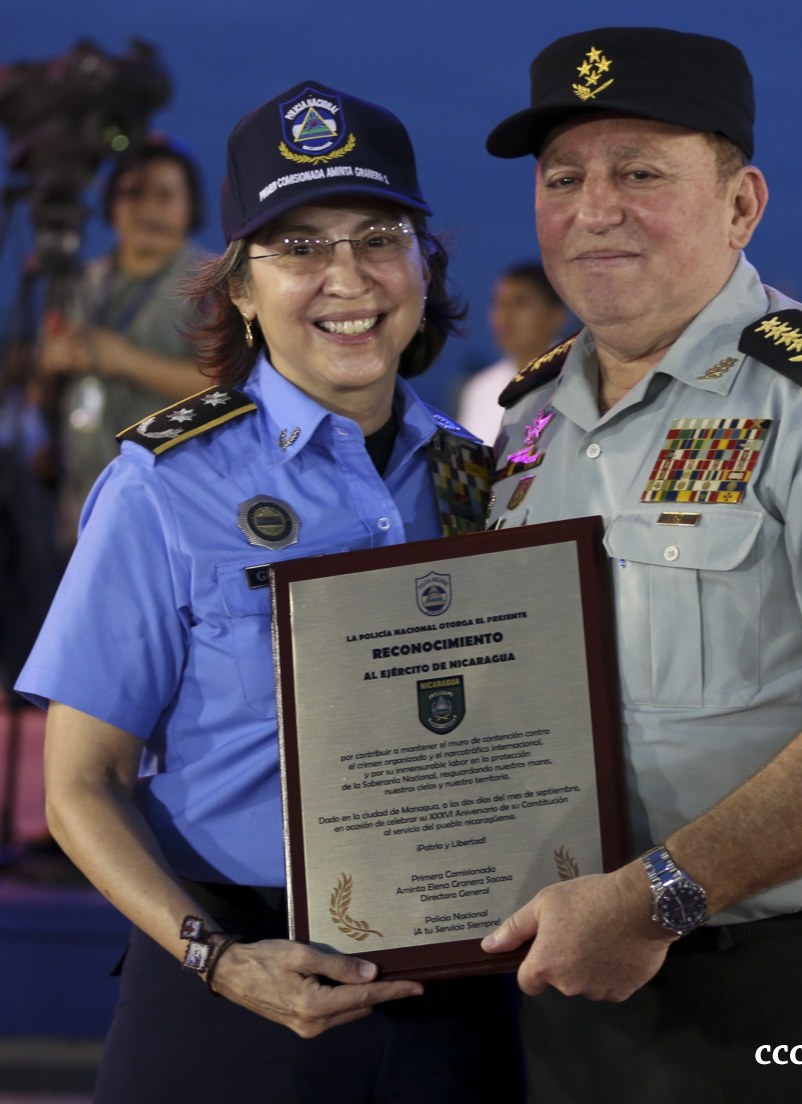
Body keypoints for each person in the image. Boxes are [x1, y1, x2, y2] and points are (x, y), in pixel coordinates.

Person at [478, 26, 802, 1104]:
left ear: (741, 205)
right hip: (586, 992)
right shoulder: (529, 425)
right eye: (563, 177)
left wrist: (658, 897)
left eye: (640, 173)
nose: (594, 208)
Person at [16, 80, 521, 1103]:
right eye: (299, 247)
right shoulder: (165, 486)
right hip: (229, 986)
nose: (348, 277)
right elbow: (79, 785)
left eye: (379, 237)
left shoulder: (486, 479)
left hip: (458, 990)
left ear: (424, 266)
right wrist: (217, 958)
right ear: (239, 288)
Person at [36, 135, 209, 553]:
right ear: (111, 206)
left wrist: (124, 359)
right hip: (82, 510)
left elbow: (234, 388)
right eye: (133, 193)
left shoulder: (213, 282)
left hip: (174, 516)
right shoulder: (78, 283)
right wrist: (49, 366)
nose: (148, 209)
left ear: (190, 208)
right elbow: (39, 395)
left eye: (164, 195)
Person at [456, 261, 567, 442]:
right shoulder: (480, 388)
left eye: (519, 303)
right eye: (498, 303)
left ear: (556, 314)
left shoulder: (576, 377)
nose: (504, 316)